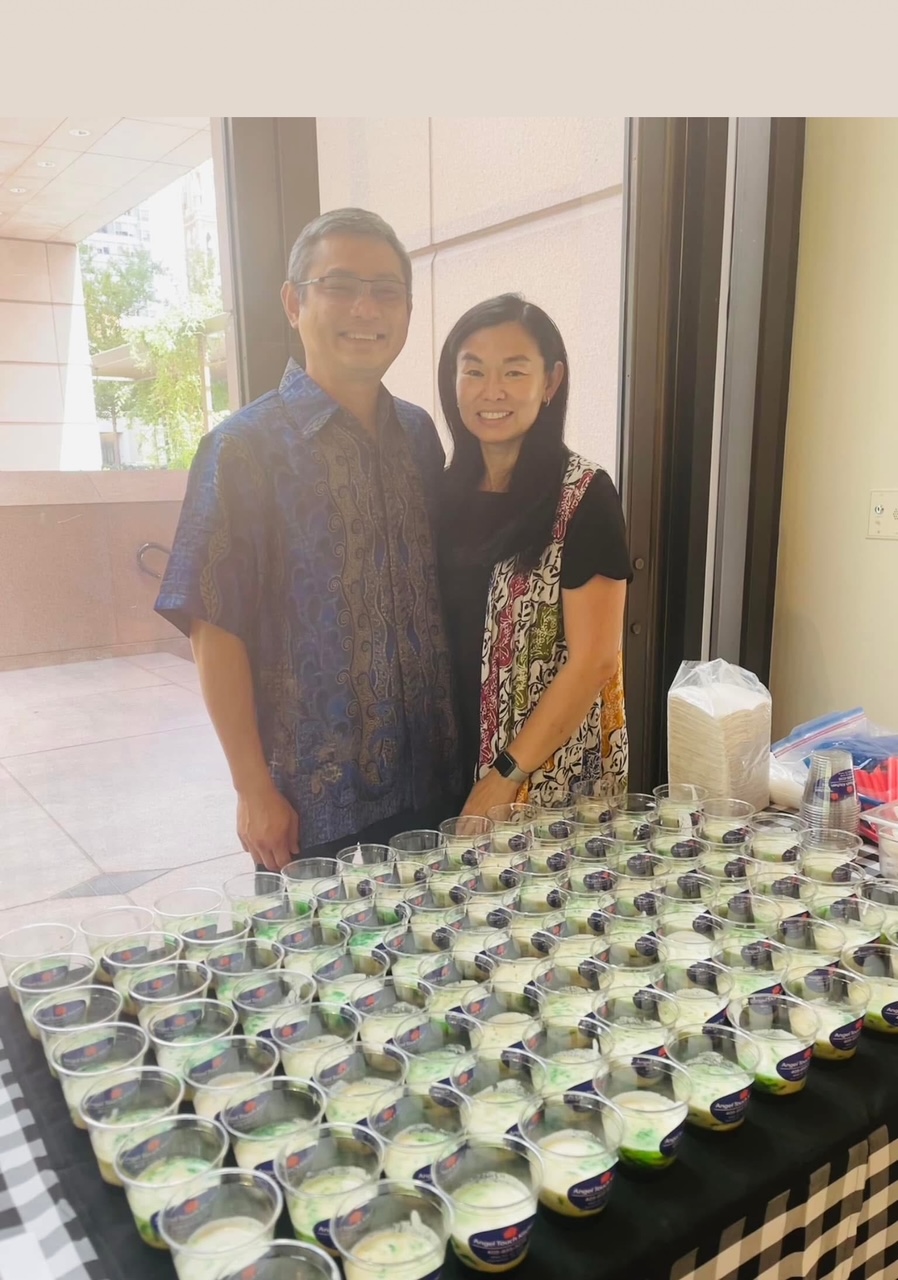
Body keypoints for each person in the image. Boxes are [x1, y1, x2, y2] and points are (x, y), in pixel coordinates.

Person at [155, 208, 460, 870]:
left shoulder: (418, 434)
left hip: (436, 786)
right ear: (294, 303)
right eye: (339, 285)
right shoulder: (242, 449)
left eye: (386, 291)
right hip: (312, 808)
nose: (365, 308)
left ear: (408, 311)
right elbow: (214, 626)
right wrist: (251, 789)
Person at [436, 293, 632, 816]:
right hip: (442, 764)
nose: (492, 391)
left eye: (514, 372)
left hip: (538, 779)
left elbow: (594, 660)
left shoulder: (583, 496)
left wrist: (505, 776)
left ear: (550, 382)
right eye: (473, 371)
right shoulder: (441, 493)